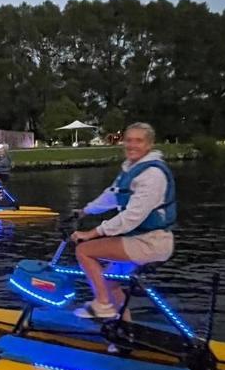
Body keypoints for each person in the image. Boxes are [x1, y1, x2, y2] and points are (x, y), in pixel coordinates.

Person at [71, 122, 176, 319]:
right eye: (129, 140)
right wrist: (84, 211)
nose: (132, 145)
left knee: (84, 251)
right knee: (109, 282)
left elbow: (131, 217)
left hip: (150, 242)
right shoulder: (131, 169)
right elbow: (111, 195)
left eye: (139, 141)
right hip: (141, 238)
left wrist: (92, 233)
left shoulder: (152, 174)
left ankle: (102, 305)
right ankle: (124, 332)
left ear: (149, 145)